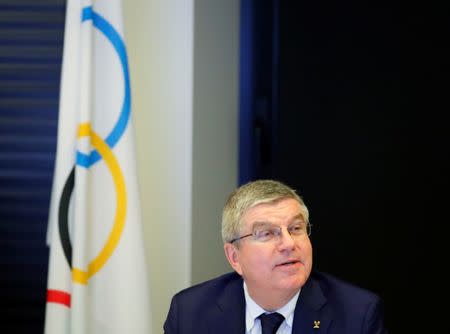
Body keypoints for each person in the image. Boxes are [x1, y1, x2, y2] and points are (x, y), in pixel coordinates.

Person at [164, 179, 388, 333]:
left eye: (296, 228)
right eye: (267, 233)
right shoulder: (190, 313)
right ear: (234, 257)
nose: (289, 244)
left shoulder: (356, 315)